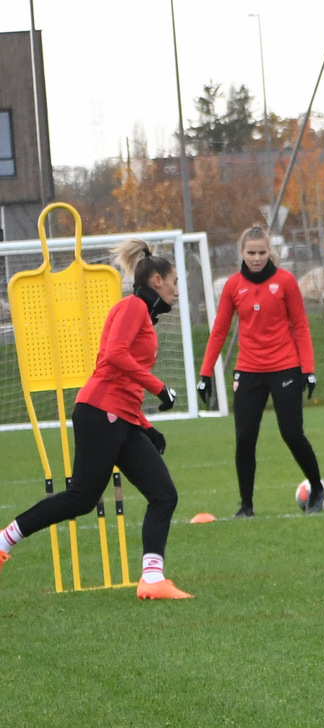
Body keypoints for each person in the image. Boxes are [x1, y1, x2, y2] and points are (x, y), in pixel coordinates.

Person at [0, 239, 195, 599]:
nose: (177, 292)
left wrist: (146, 427)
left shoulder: (143, 316)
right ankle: (4, 540)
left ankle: (152, 578)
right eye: (174, 282)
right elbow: (113, 356)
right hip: (99, 412)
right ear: (156, 281)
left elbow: (122, 379)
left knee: (163, 494)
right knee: (81, 499)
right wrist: (159, 388)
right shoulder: (132, 307)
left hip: (120, 416)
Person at [198, 225, 324, 517]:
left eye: (262, 252)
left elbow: (301, 326)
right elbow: (219, 331)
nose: (257, 258)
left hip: (286, 367)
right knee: (244, 438)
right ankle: (246, 506)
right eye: (251, 252)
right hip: (249, 370)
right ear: (241, 253)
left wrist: (308, 369)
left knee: (292, 434)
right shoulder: (233, 286)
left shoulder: (286, 281)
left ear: (271, 252)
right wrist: (205, 374)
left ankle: (317, 489)